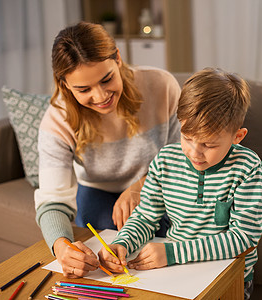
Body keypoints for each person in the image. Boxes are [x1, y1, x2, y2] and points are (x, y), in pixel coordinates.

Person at [98, 68, 262, 299]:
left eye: (209, 145)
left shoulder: (248, 170)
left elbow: (243, 238)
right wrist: (122, 243)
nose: (194, 152)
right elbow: (145, 217)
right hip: (178, 273)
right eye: (187, 138)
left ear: (237, 136)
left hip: (228, 276)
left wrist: (172, 253)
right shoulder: (165, 161)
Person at [34, 21, 181, 279]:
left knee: (164, 250)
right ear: (65, 84)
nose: (101, 96)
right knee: (106, 262)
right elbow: (52, 199)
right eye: (84, 89)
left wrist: (140, 187)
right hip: (96, 193)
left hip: (159, 186)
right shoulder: (57, 119)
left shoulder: (163, 86)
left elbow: (185, 160)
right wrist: (61, 247)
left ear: (118, 59)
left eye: (106, 79)